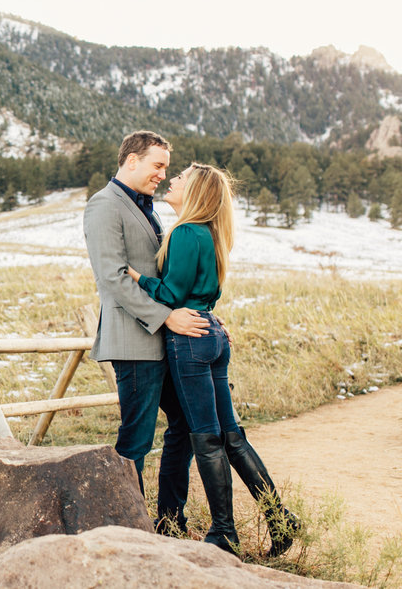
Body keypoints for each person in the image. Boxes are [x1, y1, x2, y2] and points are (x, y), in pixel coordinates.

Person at [127, 162, 300, 556]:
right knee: (231, 435)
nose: (172, 180)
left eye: (182, 178)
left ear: (197, 192)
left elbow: (170, 296)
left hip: (190, 341)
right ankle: (280, 519)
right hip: (212, 335)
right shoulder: (208, 233)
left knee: (205, 438)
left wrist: (136, 277)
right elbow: (204, 293)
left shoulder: (186, 232)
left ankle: (224, 532)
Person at [83, 130, 208, 534]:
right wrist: (166, 317)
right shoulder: (103, 205)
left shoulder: (147, 207)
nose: (162, 174)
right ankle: (123, 526)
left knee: (186, 427)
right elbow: (114, 279)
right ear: (131, 160)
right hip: (134, 340)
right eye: (157, 166)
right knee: (135, 439)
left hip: (164, 340)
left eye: (166, 168)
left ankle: (170, 520)